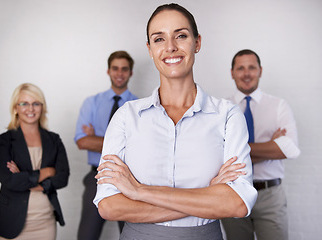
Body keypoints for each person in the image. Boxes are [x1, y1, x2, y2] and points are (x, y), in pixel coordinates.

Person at [93, 4, 257, 240]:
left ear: (197, 42)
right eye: (159, 39)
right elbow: (109, 205)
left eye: (181, 35)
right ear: (150, 49)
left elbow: (237, 204)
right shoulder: (126, 117)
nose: (170, 47)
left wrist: (139, 191)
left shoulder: (227, 115)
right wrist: (208, 195)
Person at [221, 49, 301, 240]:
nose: (246, 73)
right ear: (232, 73)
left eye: (251, 68)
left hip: (270, 196)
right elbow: (218, 154)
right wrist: (271, 146)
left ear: (260, 71)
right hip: (233, 193)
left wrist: (238, 150)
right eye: (240, 68)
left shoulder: (279, 106)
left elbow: (290, 149)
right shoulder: (221, 108)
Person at [0, 83, 70, 240]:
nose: (30, 109)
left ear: (42, 107)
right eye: (24, 103)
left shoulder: (54, 139)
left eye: (36, 103)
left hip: (44, 222)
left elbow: (62, 178)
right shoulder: (3, 141)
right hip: (10, 220)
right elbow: (9, 180)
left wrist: (25, 178)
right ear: (15, 108)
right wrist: (47, 172)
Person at [74, 50, 138, 240]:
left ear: (131, 73)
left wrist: (97, 139)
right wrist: (124, 141)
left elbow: (142, 146)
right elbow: (82, 141)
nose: (120, 73)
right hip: (97, 175)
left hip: (130, 178)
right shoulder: (91, 103)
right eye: (115, 68)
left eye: (124, 69)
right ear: (108, 71)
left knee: (132, 235)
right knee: (87, 236)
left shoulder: (139, 106)